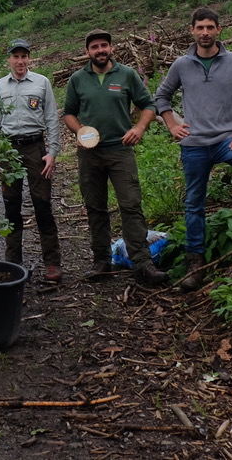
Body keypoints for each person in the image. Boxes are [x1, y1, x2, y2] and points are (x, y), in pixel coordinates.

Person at [154, 8, 232, 292]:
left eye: (210, 27)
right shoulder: (181, 65)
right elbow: (161, 96)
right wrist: (172, 125)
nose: (205, 32)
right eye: (200, 27)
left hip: (228, 140)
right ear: (191, 31)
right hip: (195, 145)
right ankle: (195, 262)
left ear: (219, 30)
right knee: (194, 203)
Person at [62, 28, 168, 286]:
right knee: (95, 207)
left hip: (120, 151)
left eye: (104, 45)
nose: (100, 50)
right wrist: (80, 131)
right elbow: (69, 113)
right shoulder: (78, 79)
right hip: (90, 154)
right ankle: (101, 262)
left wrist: (139, 128)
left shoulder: (127, 75)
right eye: (94, 47)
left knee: (131, 205)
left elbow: (149, 105)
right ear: (87, 52)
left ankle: (143, 264)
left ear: (112, 48)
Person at [0, 38, 63, 282]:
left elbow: (52, 118)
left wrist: (52, 152)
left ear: (29, 59)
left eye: (24, 56)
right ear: (9, 60)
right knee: (11, 206)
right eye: (16, 56)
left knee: (42, 204)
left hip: (36, 148)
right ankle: (13, 262)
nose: (20, 61)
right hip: (9, 150)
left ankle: (52, 264)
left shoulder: (42, 83)